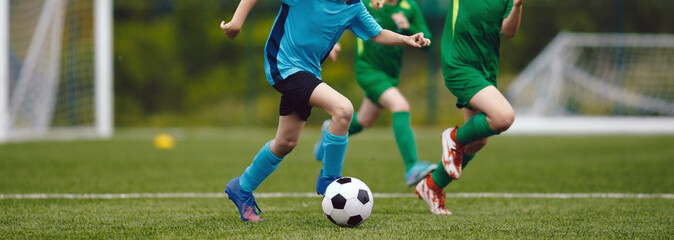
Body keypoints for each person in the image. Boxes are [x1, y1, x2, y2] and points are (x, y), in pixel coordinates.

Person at [220, 0, 431, 222]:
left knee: (286, 142)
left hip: (308, 70)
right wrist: (236, 22)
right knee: (343, 109)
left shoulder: (354, 6)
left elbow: (376, 34)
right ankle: (330, 180)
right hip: (283, 64)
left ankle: (241, 187)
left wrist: (406, 39)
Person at [414, 0, 524, 215]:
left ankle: (432, 186)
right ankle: (453, 138)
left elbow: (509, 32)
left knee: (477, 142)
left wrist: (518, 5)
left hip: (486, 68)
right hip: (459, 62)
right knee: (503, 117)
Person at [314, 0, 436, 187]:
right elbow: (336, 16)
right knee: (400, 106)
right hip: (367, 69)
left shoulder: (410, 7)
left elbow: (426, 40)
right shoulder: (370, 3)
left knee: (364, 120)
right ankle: (412, 167)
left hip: (390, 74)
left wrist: (409, 28)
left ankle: (329, 128)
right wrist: (333, 43)